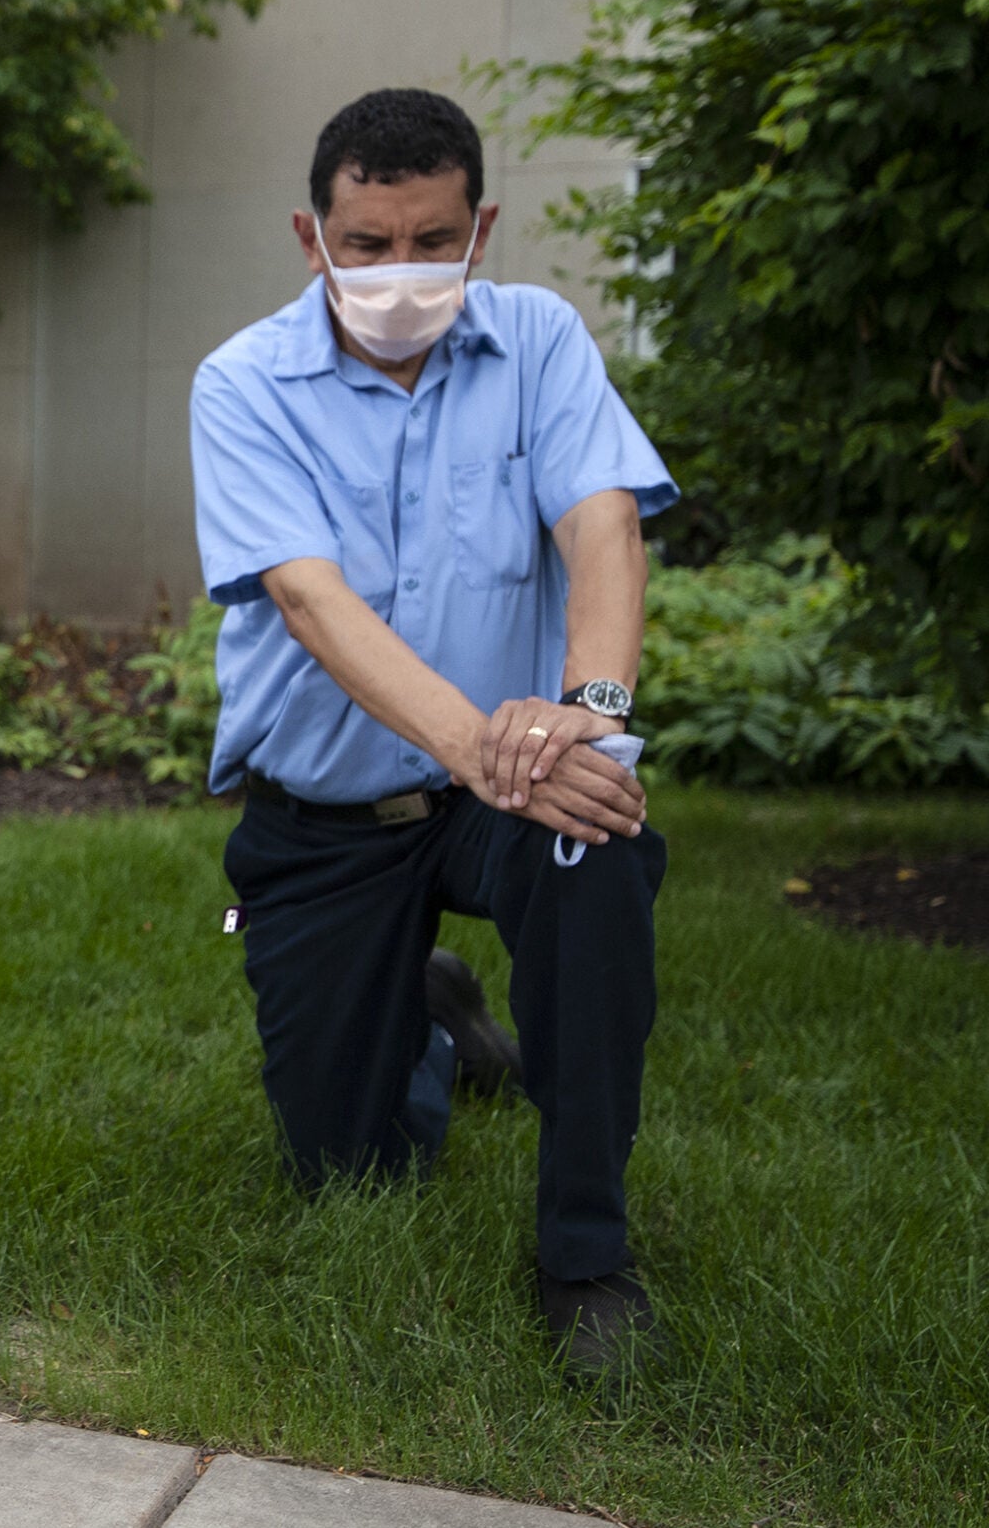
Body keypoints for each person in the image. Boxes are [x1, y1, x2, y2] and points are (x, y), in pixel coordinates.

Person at [188, 89, 676, 1378]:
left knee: (597, 842)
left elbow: (602, 524)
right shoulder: (241, 384)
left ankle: (585, 1253)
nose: (398, 270)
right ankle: (438, 1018)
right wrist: (489, 744)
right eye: (366, 243)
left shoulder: (539, 340)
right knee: (348, 1167)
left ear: (481, 230)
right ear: (312, 237)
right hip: (327, 815)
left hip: (502, 798)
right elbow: (312, 601)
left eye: (431, 241)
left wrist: (590, 717)